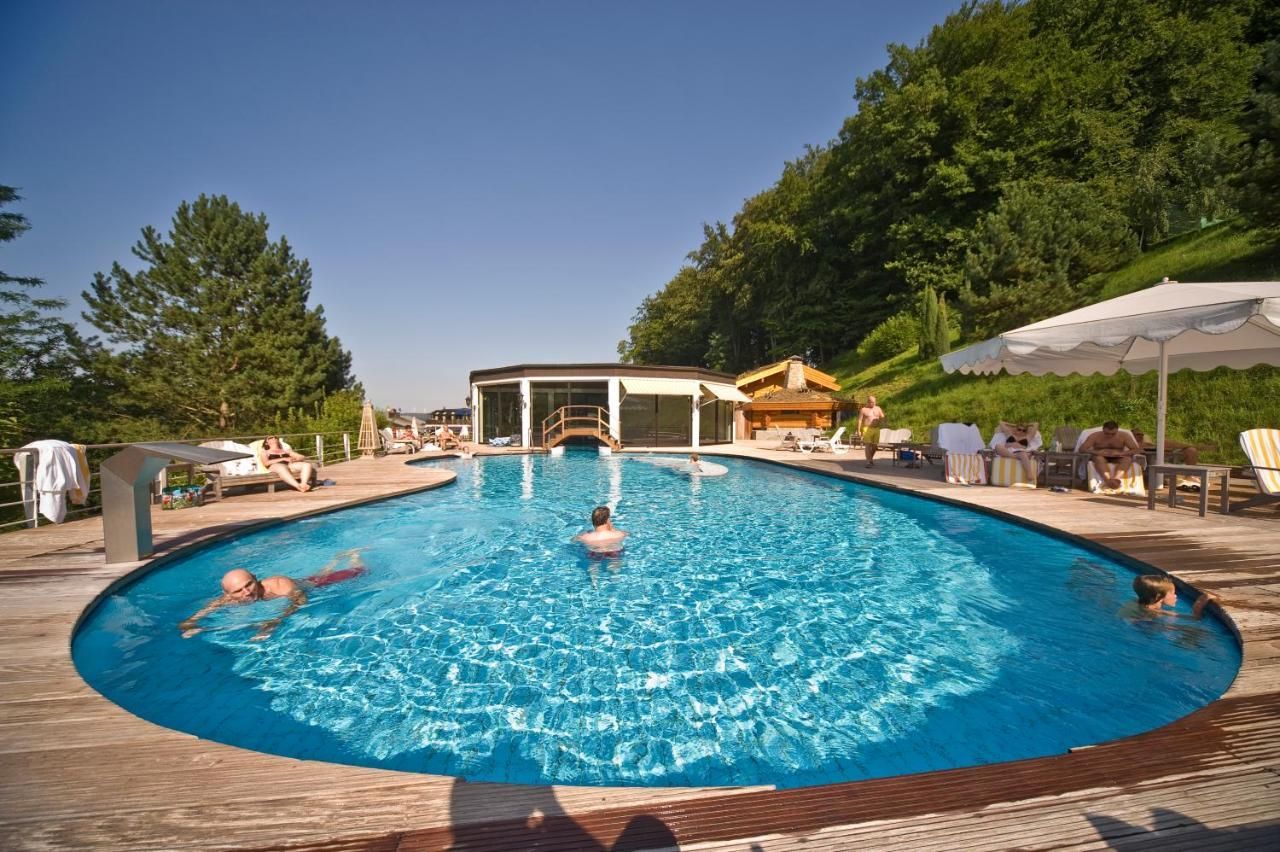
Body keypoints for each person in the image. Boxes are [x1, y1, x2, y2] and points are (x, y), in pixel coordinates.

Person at [178, 549, 367, 641]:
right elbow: (202, 613)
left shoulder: (278, 585)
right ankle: (337, 558)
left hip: (311, 586)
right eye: (239, 591)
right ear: (228, 594)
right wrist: (191, 624)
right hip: (304, 581)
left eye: (249, 584)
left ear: (255, 578)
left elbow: (300, 600)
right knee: (320, 573)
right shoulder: (229, 598)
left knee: (357, 572)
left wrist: (275, 621)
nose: (247, 592)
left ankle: (354, 556)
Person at [1078, 421, 1140, 490]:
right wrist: (1097, 452)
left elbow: (1136, 450)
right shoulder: (1095, 436)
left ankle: (1116, 479)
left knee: (1127, 459)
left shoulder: (1124, 436)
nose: (1110, 436)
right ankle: (1108, 480)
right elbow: (1082, 449)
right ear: (1103, 429)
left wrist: (1121, 453)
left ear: (1117, 430)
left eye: (1113, 434)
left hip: (1118, 456)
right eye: (1107, 433)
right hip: (1100, 456)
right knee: (1099, 458)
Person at [1132, 574, 1219, 618]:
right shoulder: (1157, 613)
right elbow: (1195, 618)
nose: (1176, 596)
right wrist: (1200, 602)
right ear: (1159, 596)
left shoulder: (1136, 603)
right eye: (1173, 593)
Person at [856, 395, 885, 468]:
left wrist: (884, 422)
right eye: (872, 402)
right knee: (868, 445)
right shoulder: (863, 409)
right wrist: (859, 430)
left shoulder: (878, 408)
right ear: (868, 402)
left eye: (874, 402)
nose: (874, 403)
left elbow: (882, 417)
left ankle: (870, 458)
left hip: (876, 429)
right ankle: (868, 462)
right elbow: (859, 420)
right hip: (867, 428)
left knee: (875, 446)